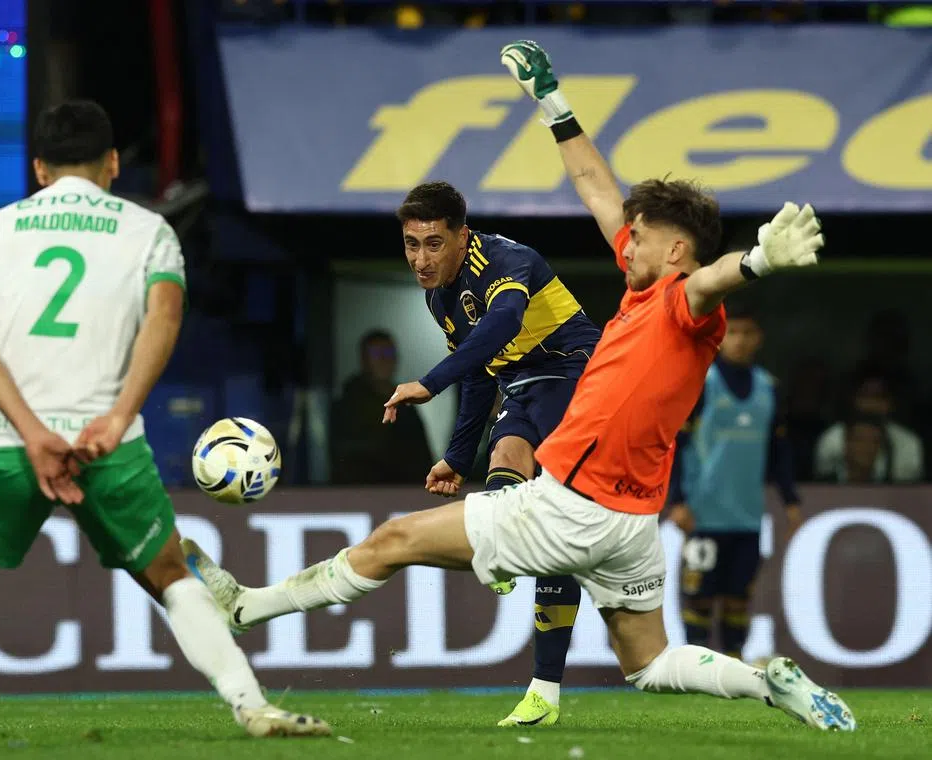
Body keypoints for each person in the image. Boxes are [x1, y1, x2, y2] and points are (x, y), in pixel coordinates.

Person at [181, 41, 854, 732]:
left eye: (641, 237)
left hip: (572, 509)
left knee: (392, 541)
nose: (628, 244)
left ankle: (248, 607)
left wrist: (762, 259)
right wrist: (551, 101)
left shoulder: (682, 301)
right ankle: (766, 682)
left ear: (675, 251)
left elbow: (714, 281)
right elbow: (594, 183)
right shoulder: (644, 282)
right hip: (630, 526)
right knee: (648, 662)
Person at [0, 100, 329, 740]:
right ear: (112, 163)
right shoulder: (150, 231)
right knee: (168, 574)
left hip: (7, 440)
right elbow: (163, 322)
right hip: (108, 441)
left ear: (39, 168)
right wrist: (116, 417)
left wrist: (31, 432)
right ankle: (252, 705)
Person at [384, 180, 601, 726]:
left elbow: (502, 324)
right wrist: (457, 457)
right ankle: (542, 692)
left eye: (434, 243)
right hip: (525, 385)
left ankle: (507, 549)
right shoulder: (438, 297)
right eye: (412, 244)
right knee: (502, 461)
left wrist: (429, 383)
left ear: (462, 235)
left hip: (578, 373)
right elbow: (481, 372)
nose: (421, 259)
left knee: (552, 525)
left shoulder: (508, 260)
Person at [666, 306, 802, 662]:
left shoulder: (768, 388)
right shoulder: (700, 383)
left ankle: (734, 662)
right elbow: (676, 444)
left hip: (747, 514)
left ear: (759, 339)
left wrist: (790, 500)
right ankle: (694, 665)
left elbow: (779, 450)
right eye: (734, 332)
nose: (740, 340)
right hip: (703, 512)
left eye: (748, 333)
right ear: (721, 336)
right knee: (700, 593)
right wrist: (676, 499)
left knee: (739, 594)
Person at [331, 330, 434, 485]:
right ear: (364, 359)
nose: (384, 358)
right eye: (376, 353)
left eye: (388, 352)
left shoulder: (406, 403)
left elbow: (422, 457)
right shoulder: (349, 406)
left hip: (408, 494)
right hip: (360, 494)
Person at [814, 375, 924, 482]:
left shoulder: (909, 442)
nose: (871, 403)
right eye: (865, 395)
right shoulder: (831, 438)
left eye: (878, 397)